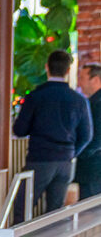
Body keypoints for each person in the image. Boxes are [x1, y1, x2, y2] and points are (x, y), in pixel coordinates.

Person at [13, 49, 93, 220]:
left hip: (40, 159)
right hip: (65, 163)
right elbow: (87, 135)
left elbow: (19, 130)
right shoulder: (79, 100)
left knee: (22, 208)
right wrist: (71, 153)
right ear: (68, 70)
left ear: (46, 67)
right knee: (55, 215)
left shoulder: (36, 96)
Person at [76, 61, 101, 200]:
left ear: (96, 79)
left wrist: (79, 153)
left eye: (82, 78)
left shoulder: (98, 103)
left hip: (94, 167)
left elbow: (97, 138)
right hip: (93, 166)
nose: (79, 83)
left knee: (90, 212)